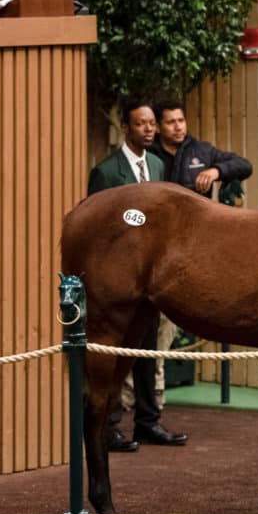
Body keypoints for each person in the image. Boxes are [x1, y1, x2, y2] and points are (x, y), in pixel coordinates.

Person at [86, 99, 188, 452]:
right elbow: (99, 229)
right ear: (126, 129)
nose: (150, 129)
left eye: (151, 124)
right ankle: (110, 424)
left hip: (153, 280)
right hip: (118, 281)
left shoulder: (159, 165)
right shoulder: (106, 172)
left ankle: (148, 422)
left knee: (147, 353)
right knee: (115, 352)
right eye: (141, 124)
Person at [150, 97, 253, 197]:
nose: (178, 127)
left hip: (197, 213)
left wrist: (217, 171)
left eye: (181, 121)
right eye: (171, 122)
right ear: (157, 128)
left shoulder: (202, 150)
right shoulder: (148, 154)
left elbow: (245, 165)